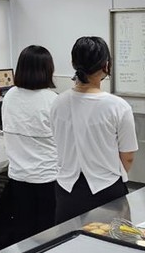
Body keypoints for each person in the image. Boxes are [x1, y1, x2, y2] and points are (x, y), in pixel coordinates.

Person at [51, 36, 138, 223]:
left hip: (66, 190)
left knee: (67, 240)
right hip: (107, 190)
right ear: (106, 65)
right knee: (109, 240)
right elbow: (128, 156)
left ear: (73, 63)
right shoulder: (118, 106)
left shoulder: (58, 102)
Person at [0, 46, 58, 253]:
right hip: (48, 179)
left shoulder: (10, 96)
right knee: (47, 239)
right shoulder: (52, 100)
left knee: (23, 235)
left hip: (18, 178)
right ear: (47, 69)